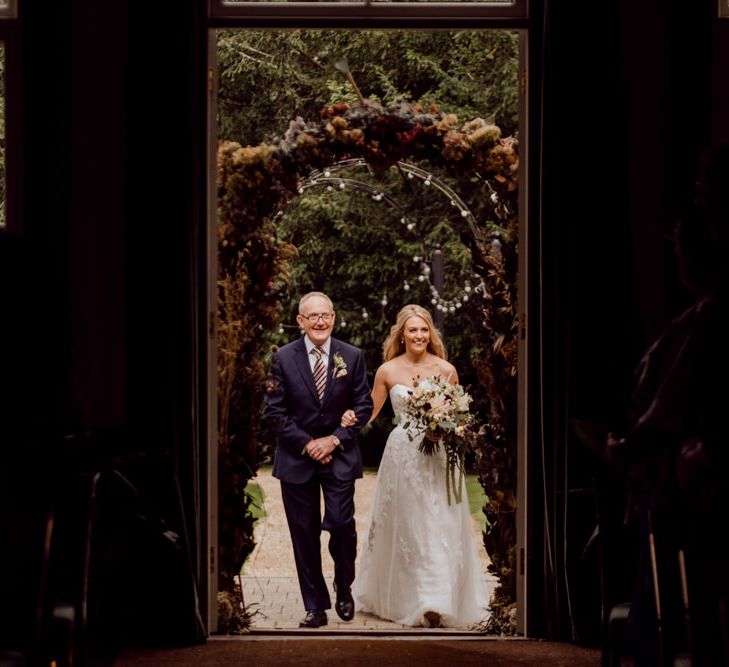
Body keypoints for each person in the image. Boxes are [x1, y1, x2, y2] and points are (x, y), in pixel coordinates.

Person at [603, 144, 729, 666]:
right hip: (681, 485)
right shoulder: (703, 315)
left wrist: (623, 449)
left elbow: (669, 409)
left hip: (699, 495)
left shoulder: (711, 319)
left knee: (676, 619)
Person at [341, 304, 493, 628]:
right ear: (402, 334)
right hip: (402, 456)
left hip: (438, 457)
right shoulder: (387, 371)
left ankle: (436, 600)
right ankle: (411, 597)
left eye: (424, 329)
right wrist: (342, 427)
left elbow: (459, 416)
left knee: (437, 525)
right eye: (413, 330)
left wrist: (445, 426)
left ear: (430, 334)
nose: (419, 335)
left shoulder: (446, 369)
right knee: (410, 526)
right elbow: (368, 412)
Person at [263, 291, 374, 628]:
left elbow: (364, 406)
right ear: (300, 321)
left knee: (342, 524)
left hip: (339, 457)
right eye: (313, 317)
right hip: (297, 459)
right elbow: (274, 412)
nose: (321, 321)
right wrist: (308, 444)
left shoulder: (351, 356)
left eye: (326, 315)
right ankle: (315, 605)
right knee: (304, 532)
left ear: (334, 318)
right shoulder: (282, 358)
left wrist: (334, 440)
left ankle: (344, 586)